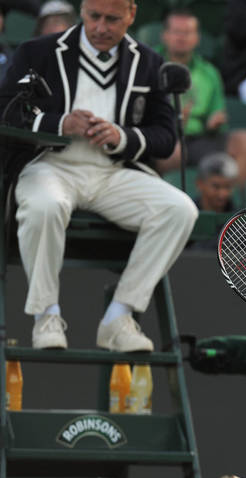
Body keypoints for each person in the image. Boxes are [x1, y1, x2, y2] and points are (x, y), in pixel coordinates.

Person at [0, 0, 198, 351]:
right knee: (45, 205)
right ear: (82, 11)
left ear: (132, 15)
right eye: (94, 17)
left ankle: (119, 316)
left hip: (112, 172)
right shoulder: (37, 51)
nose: (101, 27)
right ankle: (45, 314)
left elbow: (166, 138)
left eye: (113, 18)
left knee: (180, 209)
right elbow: (6, 114)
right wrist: (61, 122)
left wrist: (120, 136)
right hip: (49, 166)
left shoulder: (148, 61)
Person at [156, 9, 246, 186]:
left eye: (187, 32)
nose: (182, 37)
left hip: (201, 138)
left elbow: (218, 115)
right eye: (177, 32)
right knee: (173, 148)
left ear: (197, 38)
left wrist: (214, 123)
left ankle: (233, 202)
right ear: (164, 35)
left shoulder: (209, 73)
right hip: (165, 136)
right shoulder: (151, 65)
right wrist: (171, 123)